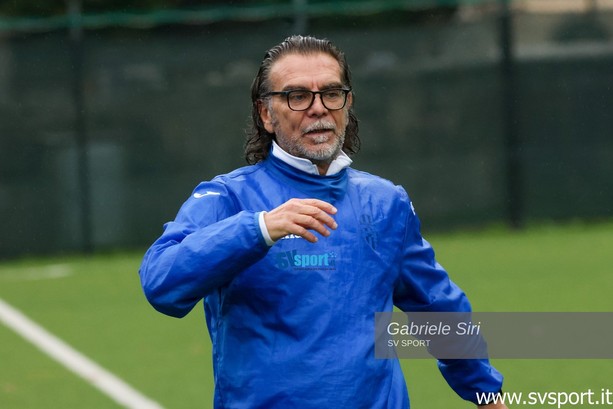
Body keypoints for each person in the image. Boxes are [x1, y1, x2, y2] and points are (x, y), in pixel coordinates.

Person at [139, 35, 508, 409]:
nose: (318, 108)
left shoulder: (385, 202)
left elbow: (438, 309)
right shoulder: (228, 198)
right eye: (297, 96)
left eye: (331, 93)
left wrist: (487, 394)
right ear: (266, 113)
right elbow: (161, 282)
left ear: (347, 104)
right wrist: (259, 229)